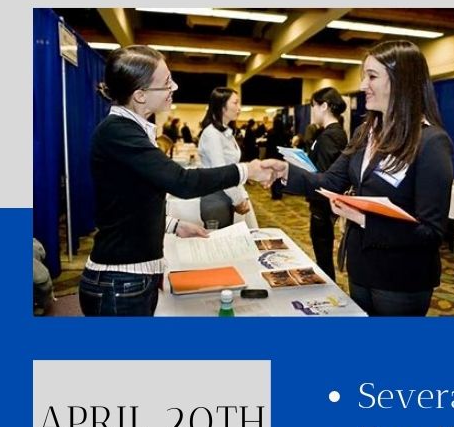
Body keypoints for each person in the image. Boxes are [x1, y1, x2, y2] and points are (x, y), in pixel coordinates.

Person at [79, 45, 284, 316]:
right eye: (166, 83)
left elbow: (130, 200)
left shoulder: (129, 129)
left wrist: (174, 225)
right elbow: (182, 182)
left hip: (131, 278)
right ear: (140, 95)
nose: (174, 86)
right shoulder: (118, 132)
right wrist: (248, 170)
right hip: (120, 281)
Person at [277, 40, 453, 316]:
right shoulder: (365, 134)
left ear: (400, 81)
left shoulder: (430, 143)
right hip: (360, 267)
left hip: (401, 278)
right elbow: (330, 181)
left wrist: (363, 218)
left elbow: (431, 232)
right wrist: (284, 172)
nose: (362, 85)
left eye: (372, 76)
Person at [304, 86, 349, 280]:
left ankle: (329, 294)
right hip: (325, 205)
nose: (312, 111)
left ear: (324, 106)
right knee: (323, 252)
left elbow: (325, 175)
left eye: (313, 106)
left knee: (323, 256)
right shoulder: (332, 133)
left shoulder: (329, 135)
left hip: (322, 205)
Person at [197, 86, 252, 228]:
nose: (239, 108)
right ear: (222, 106)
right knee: (220, 245)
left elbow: (232, 169)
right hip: (216, 197)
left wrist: (240, 196)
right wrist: (238, 200)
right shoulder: (212, 134)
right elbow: (221, 172)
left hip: (229, 193)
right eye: (235, 103)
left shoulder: (225, 132)